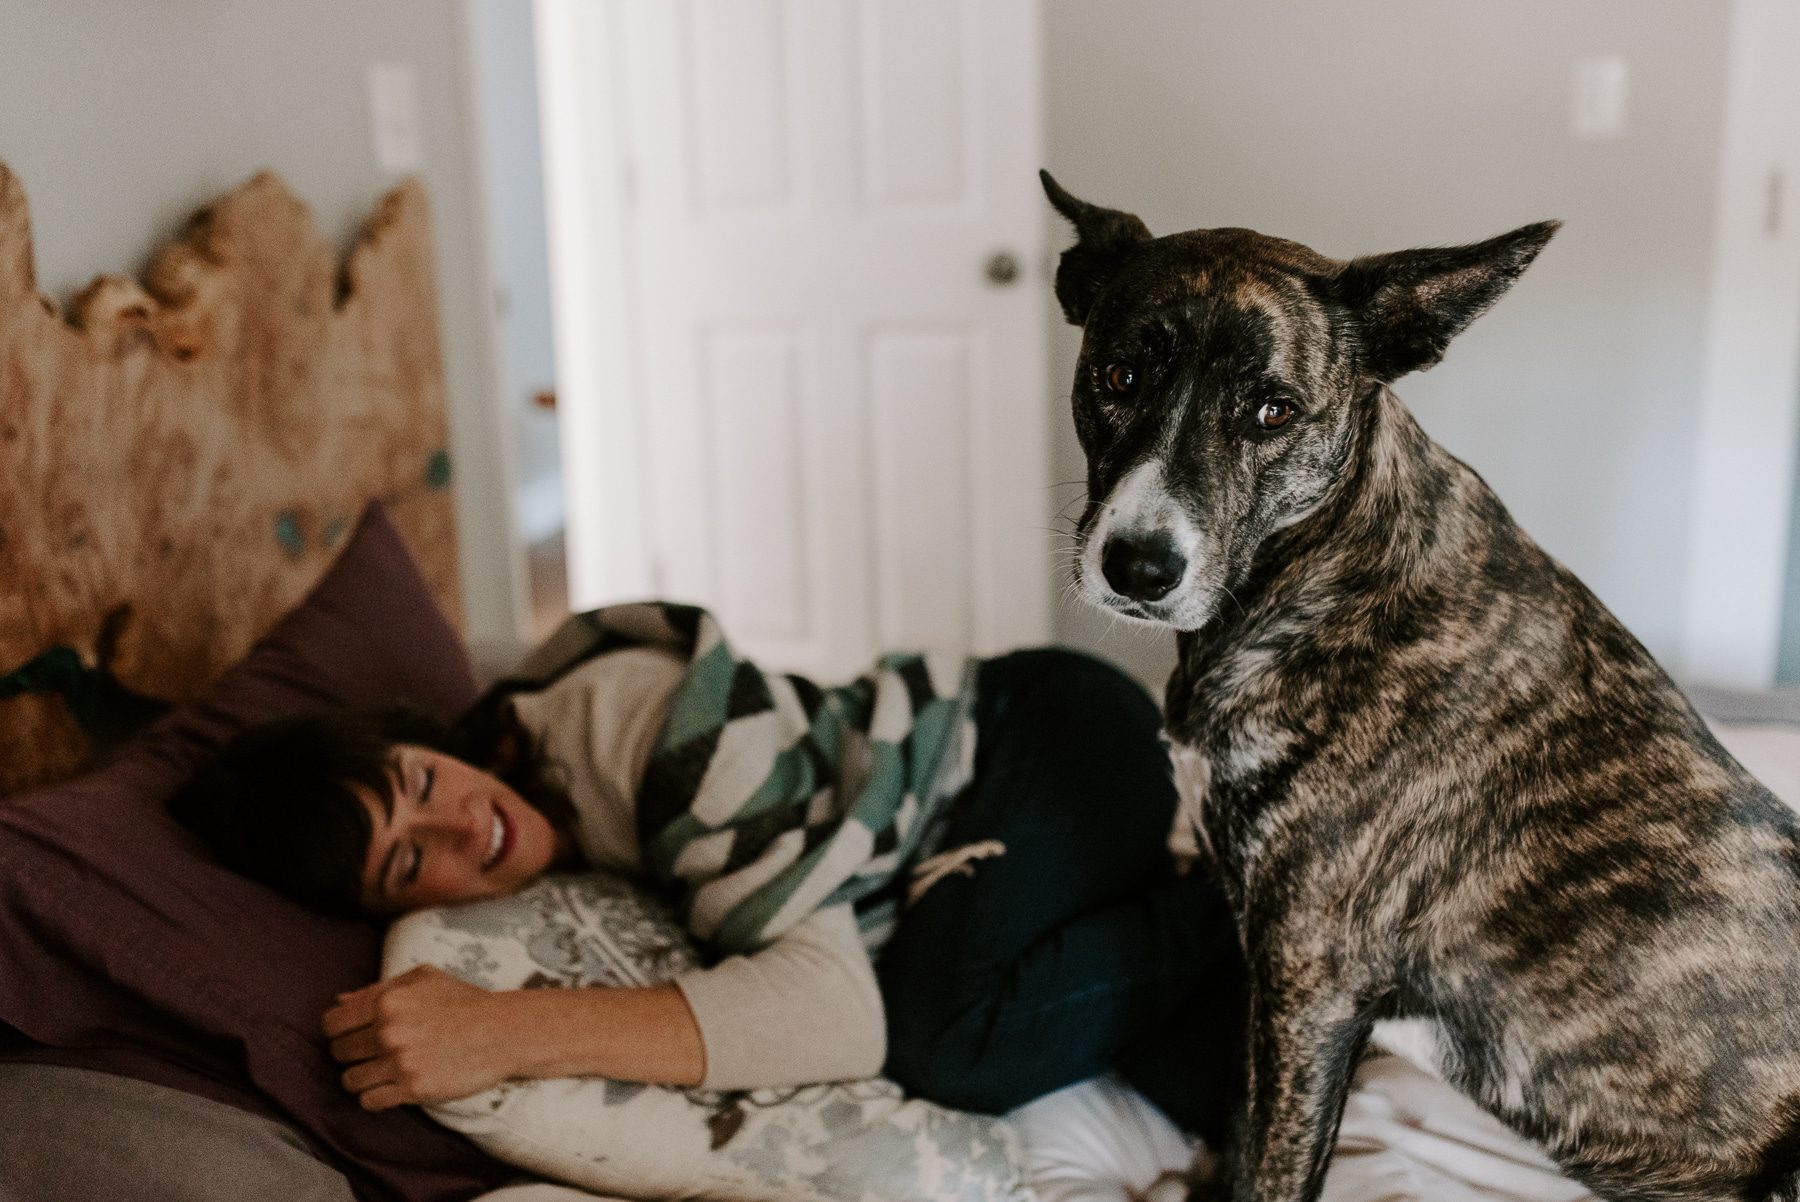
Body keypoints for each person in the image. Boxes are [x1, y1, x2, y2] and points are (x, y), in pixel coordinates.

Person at [172, 603, 1245, 1142]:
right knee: (1218, 1090)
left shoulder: (645, 731)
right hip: (971, 839)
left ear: (429, 737)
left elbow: (837, 1014)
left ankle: (1239, 886)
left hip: (1035, 741)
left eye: (422, 778)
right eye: (410, 860)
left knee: (948, 1036)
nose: (463, 825)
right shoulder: (553, 813)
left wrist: (500, 1030)